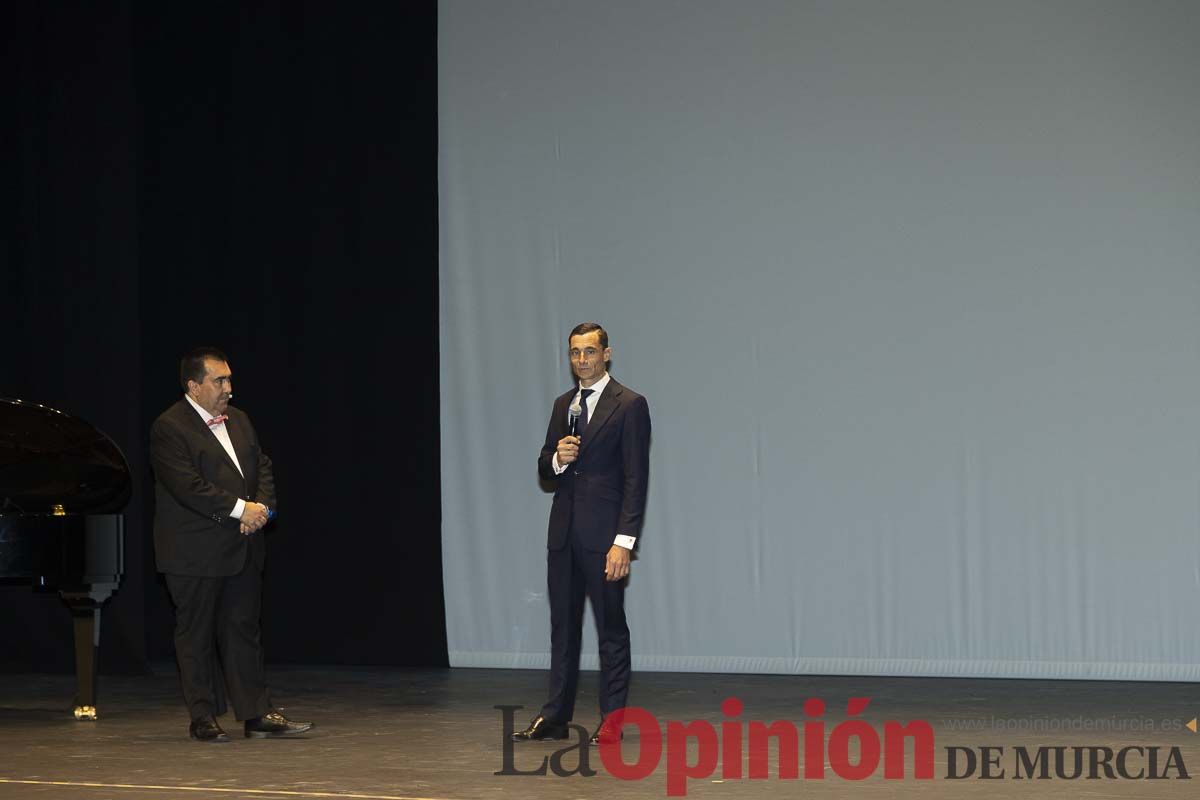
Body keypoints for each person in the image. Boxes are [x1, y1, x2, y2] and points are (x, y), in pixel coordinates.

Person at [150, 347, 311, 742]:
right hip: (194, 550)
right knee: (197, 635)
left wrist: (262, 512)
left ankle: (256, 714)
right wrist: (242, 510)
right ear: (194, 385)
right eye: (219, 381)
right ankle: (202, 716)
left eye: (229, 380)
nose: (229, 389)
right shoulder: (169, 427)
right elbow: (188, 487)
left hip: (243, 543)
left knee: (243, 629)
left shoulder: (239, 420)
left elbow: (263, 467)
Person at [513, 322, 651, 745]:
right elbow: (544, 466)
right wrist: (557, 457)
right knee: (563, 626)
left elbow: (635, 478)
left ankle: (612, 719)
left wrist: (623, 541)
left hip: (605, 538)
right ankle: (556, 714)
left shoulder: (629, 404)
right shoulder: (564, 405)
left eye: (590, 352)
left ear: (606, 354)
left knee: (610, 627)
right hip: (564, 535)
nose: (582, 361)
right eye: (575, 353)